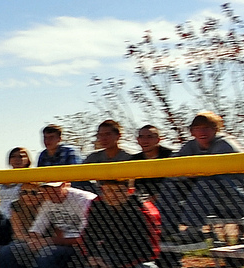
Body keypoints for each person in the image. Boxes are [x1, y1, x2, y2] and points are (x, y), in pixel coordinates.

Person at [168, 111, 244, 243]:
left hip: (237, 201)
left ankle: (192, 230)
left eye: (206, 128)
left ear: (215, 129)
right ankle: (165, 228)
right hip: (211, 205)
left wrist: (188, 172)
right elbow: (173, 168)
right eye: (197, 129)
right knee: (170, 182)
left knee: (208, 181)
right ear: (192, 132)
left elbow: (212, 171)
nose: (202, 132)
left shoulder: (225, 144)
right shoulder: (190, 146)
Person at [81, 180, 160, 268]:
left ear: (130, 191)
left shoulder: (144, 210)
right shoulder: (97, 205)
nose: (113, 195)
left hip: (136, 258)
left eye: (118, 191)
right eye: (108, 191)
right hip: (107, 253)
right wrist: (92, 257)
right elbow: (89, 236)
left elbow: (149, 249)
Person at [0, 148, 32, 220]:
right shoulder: (4, 177)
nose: (17, 159)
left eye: (21, 156)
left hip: (19, 217)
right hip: (1, 215)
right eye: (13, 156)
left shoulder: (30, 179)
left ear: (28, 160)